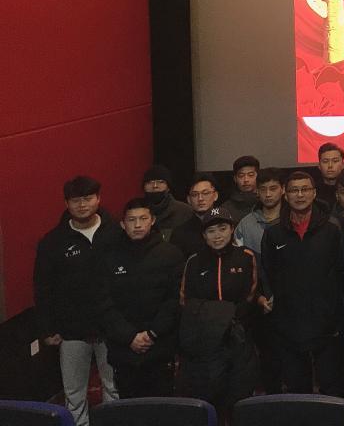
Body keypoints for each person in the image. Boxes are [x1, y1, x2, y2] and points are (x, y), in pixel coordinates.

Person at [34, 176, 121, 426]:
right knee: (74, 393)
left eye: (87, 198)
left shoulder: (117, 233)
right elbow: (43, 288)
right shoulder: (52, 242)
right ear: (66, 204)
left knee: (114, 387)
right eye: (75, 200)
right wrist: (46, 328)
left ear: (98, 199)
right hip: (71, 330)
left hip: (112, 327)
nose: (82, 205)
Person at [261, 171, 344, 396]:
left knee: (331, 388)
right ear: (285, 195)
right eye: (294, 190)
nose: (300, 195)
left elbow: (341, 274)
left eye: (305, 189)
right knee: (297, 390)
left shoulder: (332, 228)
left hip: (326, 323)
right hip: (288, 324)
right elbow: (268, 273)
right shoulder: (273, 233)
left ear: (314, 193)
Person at [98, 198, 184, 398]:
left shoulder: (171, 254)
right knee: (129, 407)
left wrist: (152, 334)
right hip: (123, 347)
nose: (137, 225)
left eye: (143, 219)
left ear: (152, 220)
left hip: (160, 346)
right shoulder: (109, 256)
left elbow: (174, 300)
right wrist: (129, 336)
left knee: (162, 406)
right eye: (131, 220)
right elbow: (103, 301)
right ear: (122, 224)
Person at [177, 208, 260, 413]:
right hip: (206, 341)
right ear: (204, 235)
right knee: (210, 398)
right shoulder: (194, 261)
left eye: (222, 229)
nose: (217, 235)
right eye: (211, 231)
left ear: (231, 229)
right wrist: (215, 320)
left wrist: (230, 320)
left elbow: (251, 294)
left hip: (239, 338)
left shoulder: (246, 257)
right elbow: (186, 300)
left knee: (238, 399)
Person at [232, 167, 284, 395]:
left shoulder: (293, 219)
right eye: (263, 189)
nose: (268, 194)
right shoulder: (246, 224)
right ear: (257, 192)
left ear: (283, 190)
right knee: (267, 361)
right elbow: (242, 270)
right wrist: (260, 297)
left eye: (273, 188)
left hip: (292, 303)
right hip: (260, 305)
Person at [171, 174, 220, 259]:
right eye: (194, 195)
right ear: (189, 200)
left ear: (215, 196)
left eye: (205, 193)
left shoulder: (227, 226)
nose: (200, 198)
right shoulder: (179, 234)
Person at [141, 164, 192, 242]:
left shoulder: (184, 211)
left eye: (160, 182)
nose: (155, 186)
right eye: (149, 182)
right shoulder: (137, 211)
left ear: (168, 187)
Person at [221, 155, 260, 222]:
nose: (246, 180)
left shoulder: (266, 200)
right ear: (235, 179)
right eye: (241, 176)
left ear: (258, 176)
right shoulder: (226, 209)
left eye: (251, 175)